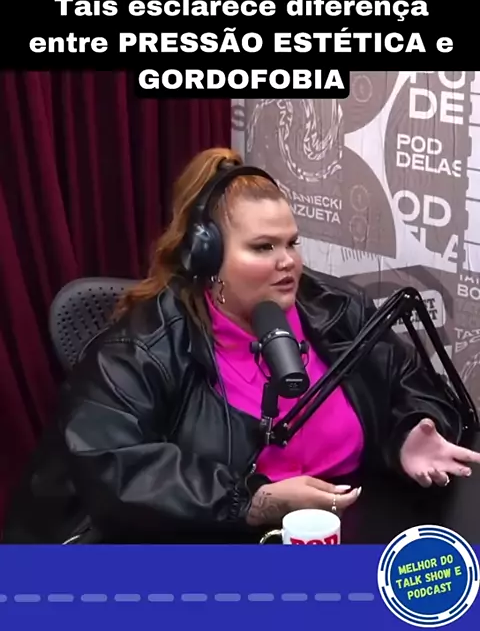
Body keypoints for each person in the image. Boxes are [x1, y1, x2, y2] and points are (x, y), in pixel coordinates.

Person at [3, 147, 480, 544]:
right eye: (263, 247)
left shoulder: (336, 310)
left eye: (292, 243)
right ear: (207, 257)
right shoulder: (141, 347)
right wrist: (252, 502)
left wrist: (409, 432)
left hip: (348, 528)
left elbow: (410, 383)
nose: (287, 262)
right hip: (211, 548)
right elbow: (114, 468)